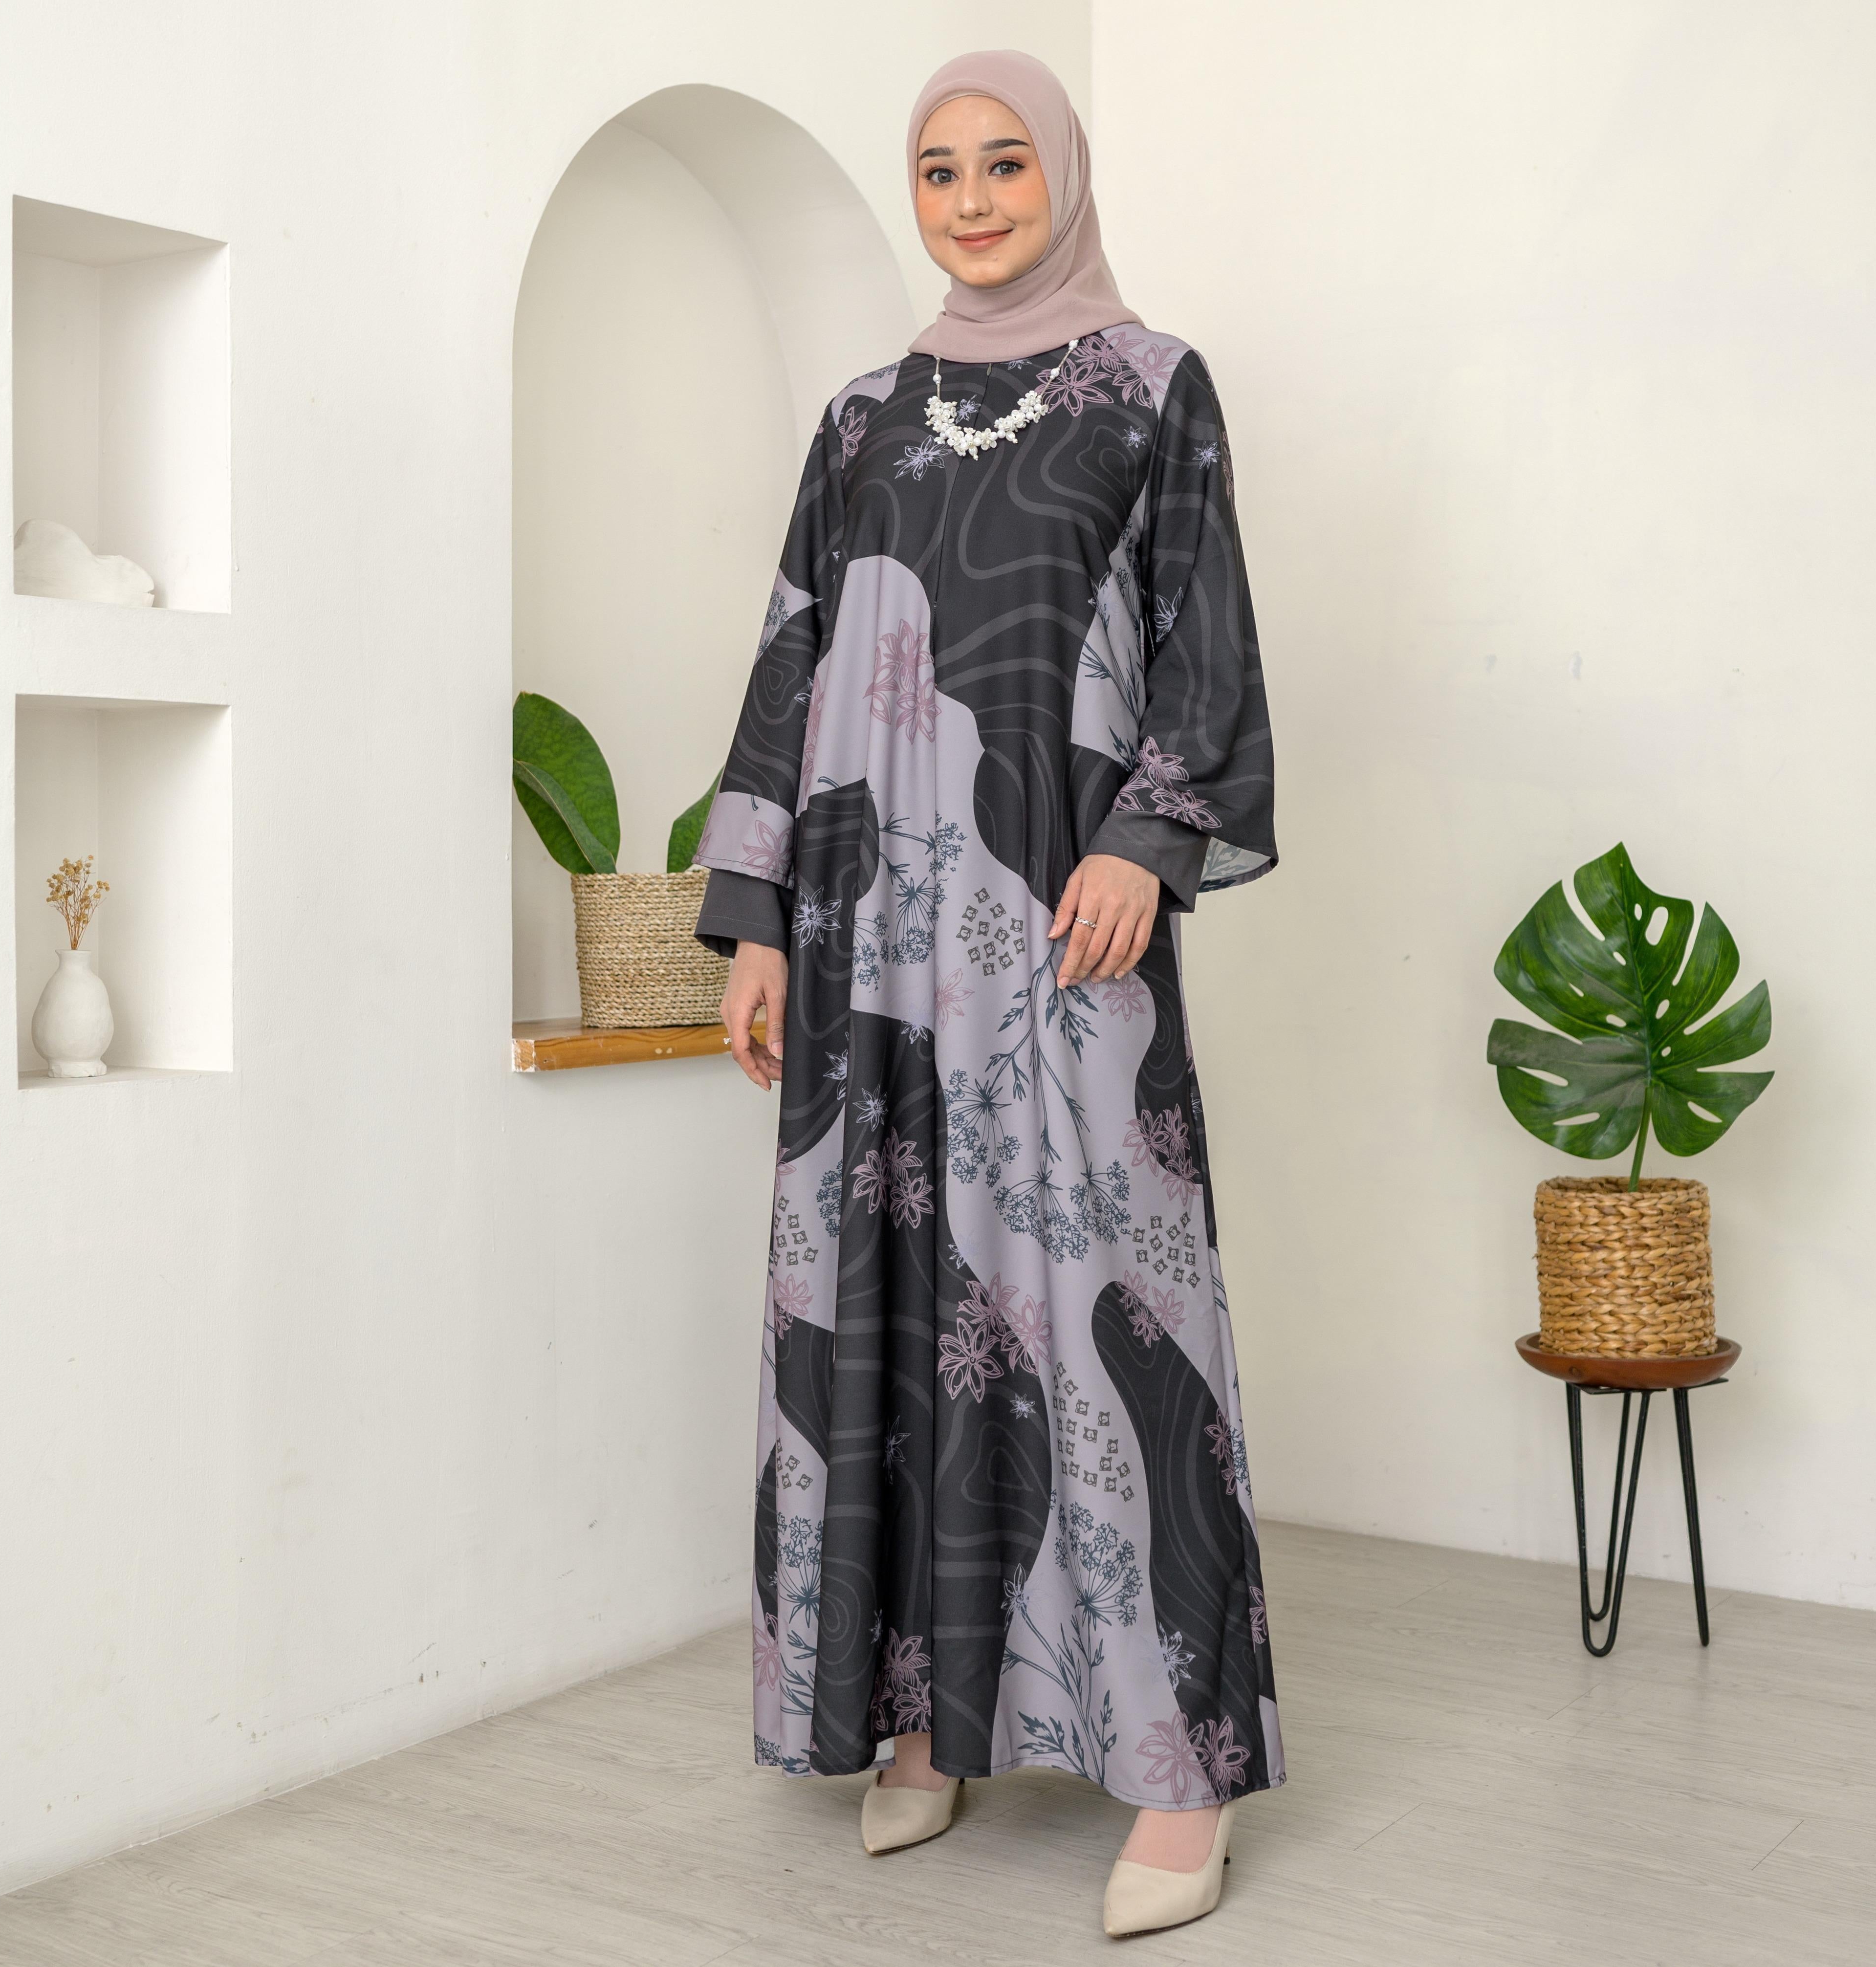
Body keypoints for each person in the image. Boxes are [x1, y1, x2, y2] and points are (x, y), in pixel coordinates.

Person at [691, 47, 1283, 1939]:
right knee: (892, 1310)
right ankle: (923, 1716)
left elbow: (1202, 639)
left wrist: (1147, 841)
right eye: (940, 169)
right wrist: (759, 919)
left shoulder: (1151, 389)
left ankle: (1179, 1776)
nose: (970, 200)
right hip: (868, 944)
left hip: (1063, 926)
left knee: (1112, 1316)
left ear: (1064, 176)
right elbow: (794, 657)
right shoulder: (860, 418)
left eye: (1005, 164)